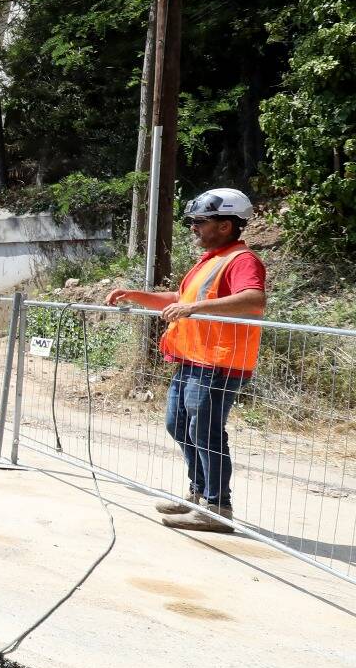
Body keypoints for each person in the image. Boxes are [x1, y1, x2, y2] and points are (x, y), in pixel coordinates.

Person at [106, 188, 266, 534]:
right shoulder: (211, 259)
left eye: (200, 222)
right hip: (194, 360)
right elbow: (181, 299)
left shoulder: (242, 260)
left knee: (205, 431)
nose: (193, 227)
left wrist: (192, 308)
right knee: (178, 425)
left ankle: (217, 507)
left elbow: (253, 300)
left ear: (225, 226)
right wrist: (137, 295)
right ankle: (199, 494)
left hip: (219, 363)